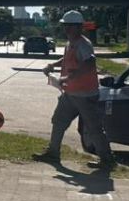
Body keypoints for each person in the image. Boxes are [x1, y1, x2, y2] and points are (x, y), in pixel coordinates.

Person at [32, 10, 114, 170]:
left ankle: (107, 160)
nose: (67, 29)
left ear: (79, 27)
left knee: (94, 128)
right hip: (70, 94)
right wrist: (53, 65)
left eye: (71, 26)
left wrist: (70, 77)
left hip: (85, 95)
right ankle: (53, 153)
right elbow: (67, 59)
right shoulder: (71, 43)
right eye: (65, 26)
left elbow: (90, 61)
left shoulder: (83, 43)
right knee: (58, 121)